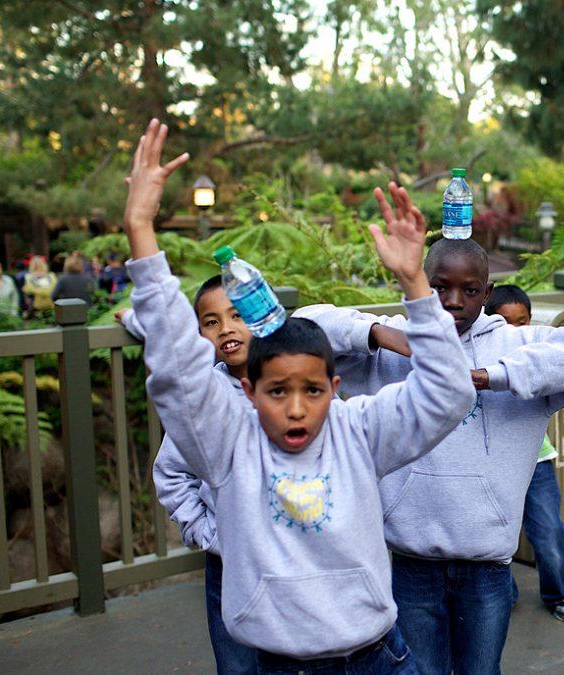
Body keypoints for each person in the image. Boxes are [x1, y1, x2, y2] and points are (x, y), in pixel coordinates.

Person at [122, 118, 474, 673]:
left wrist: (415, 284)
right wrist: (141, 229)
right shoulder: (229, 444)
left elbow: (448, 393)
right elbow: (177, 368)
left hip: (379, 656)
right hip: (282, 663)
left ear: (334, 388)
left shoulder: (359, 431)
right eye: (276, 391)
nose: (294, 407)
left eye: (311, 390)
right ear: (247, 391)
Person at [295, 238, 564, 673]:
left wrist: (492, 376)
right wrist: (380, 334)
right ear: (420, 285)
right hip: (410, 562)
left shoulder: (514, 343)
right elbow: (300, 328)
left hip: (486, 564)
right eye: (439, 287)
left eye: (470, 290)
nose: (453, 301)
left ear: (487, 293)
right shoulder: (391, 345)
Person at [117, 274, 258, 673]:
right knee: (237, 661)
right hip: (229, 558)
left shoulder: (292, 382)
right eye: (211, 322)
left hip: (291, 553)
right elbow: (172, 474)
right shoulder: (203, 397)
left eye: (237, 315)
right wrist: (207, 533)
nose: (226, 328)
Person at [484, 284, 564, 623]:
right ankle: (504, 593)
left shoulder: (539, 354)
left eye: (521, 322)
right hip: (492, 463)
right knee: (492, 535)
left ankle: (559, 592)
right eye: (504, 322)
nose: (514, 330)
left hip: (536, 460)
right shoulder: (479, 356)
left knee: (550, 530)